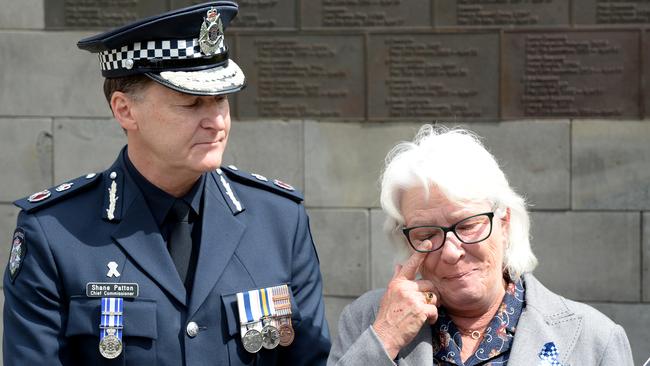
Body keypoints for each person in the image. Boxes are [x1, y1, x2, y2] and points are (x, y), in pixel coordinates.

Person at [3, 2, 330, 365]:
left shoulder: (280, 221)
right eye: (192, 104)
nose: (216, 122)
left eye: (220, 100)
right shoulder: (55, 233)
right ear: (125, 110)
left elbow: (309, 359)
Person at [328, 125, 633, 365]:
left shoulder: (594, 339)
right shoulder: (367, 320)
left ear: (504, 222)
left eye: (467, 226)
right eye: (426, 235)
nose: (450, 251)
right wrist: (386, 338)